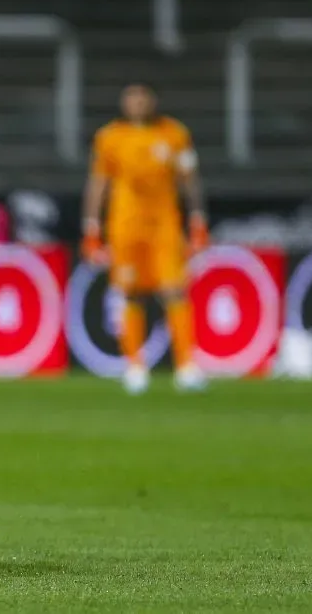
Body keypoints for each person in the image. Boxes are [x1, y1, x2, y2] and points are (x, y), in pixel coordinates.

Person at [81, 83, 209, 394]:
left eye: (143, 97)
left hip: (164, 226)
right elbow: (99, 183)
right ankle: (135, 366)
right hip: (125, 227)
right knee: (131, 293)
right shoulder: (110, 137)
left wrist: (198, 220)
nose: (138, 103)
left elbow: (189, 180)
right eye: (132, 98)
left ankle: (186, 365)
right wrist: (91, 228)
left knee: (174, 290)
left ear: (153, 101)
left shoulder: (174, 134)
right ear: (124, 103)